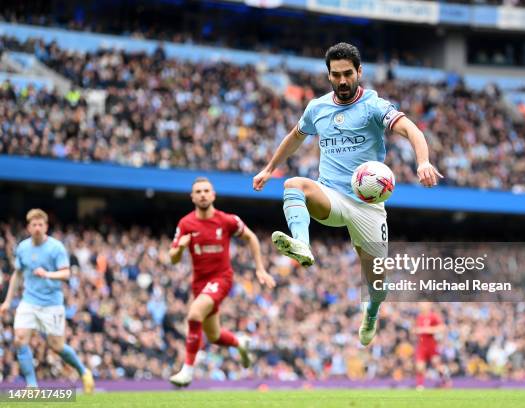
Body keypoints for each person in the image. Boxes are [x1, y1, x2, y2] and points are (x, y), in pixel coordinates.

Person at [253, 42, 442, 346]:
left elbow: (411, 130)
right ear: (328, 75)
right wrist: (268, 168)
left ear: (359, 72)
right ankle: (302, 244)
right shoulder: (317, 108)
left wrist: (423, 161)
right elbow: (294, 137)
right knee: (293, 185)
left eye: (348, 74)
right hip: (332, 196)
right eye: (336, 74)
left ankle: (372, 310)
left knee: (377, 284)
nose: (342, 80)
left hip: (368, 206)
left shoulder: (373, 106)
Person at [169, 177, 276, 387]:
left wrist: (260, 268)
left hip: (221, 279)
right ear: (192, 197)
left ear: (213, 195)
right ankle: (240, 342)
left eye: (206, 191)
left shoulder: (227, 220)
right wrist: (180, 248)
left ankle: (187, 371)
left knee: (194, 314)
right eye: (198, 191)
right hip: (199, 284)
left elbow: (251, 238)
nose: (202, 194)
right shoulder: (186, 223)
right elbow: (173, 258)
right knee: (215, 336)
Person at [0, 209, 94, 392]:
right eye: (33, 225)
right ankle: (32, 386)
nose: (37, 228)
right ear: (28, 227)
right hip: (29, 301)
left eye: (40, 225)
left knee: (56, 346)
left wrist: (47, 274)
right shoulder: (23, 248)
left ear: (46, 227)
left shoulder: (56, 247)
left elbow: (67, 273)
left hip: (51, 304)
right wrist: (6, 302)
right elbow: (17, 276)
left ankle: (84, 372)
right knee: (19, 339)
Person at [414, 302, 449, 389]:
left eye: (423, 305)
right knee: (419, 366)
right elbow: (415, 329)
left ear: (428, 306)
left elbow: (443, 327)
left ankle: (446, 381)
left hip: (432, 344)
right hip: (421, 345)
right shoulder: (419, 317)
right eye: (421, 305)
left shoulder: (433, 316)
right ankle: (420, 386)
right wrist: (416, 331)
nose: (422, 307)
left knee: (437, 365)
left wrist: (427, 330)